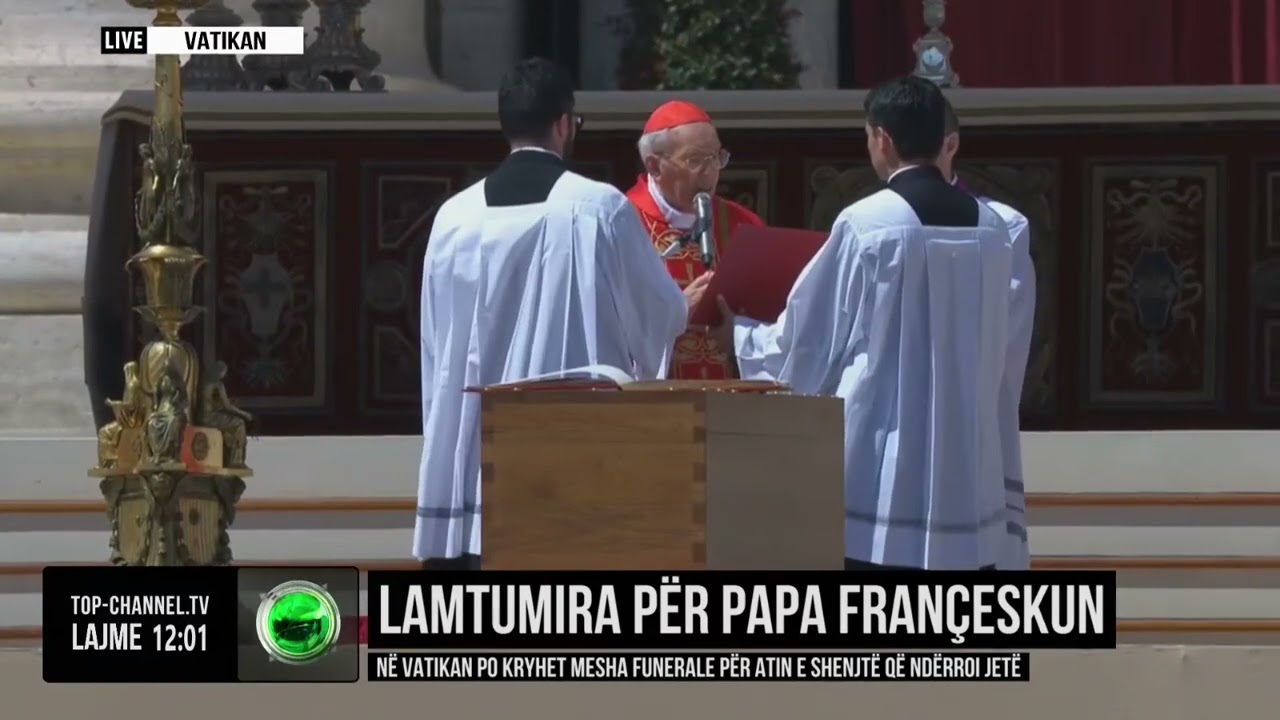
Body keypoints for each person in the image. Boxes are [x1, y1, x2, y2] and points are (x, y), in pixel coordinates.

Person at [413, 58, 708, 570]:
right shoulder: (597, 207)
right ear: (564, 124)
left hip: (472, 454)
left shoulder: (452, 217)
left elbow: (436, 346)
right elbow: (656, 314)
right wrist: (682, 305)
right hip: (566, 451)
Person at [714, 76, 1017, 571]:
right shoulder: (993, 227)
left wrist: (742, 336)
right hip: (966, 460)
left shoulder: (868, 223)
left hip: (883, 459)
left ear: (883, 138)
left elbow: (810, 339)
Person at [938, 99, 1036, 570]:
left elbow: (1004, 338)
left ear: (951, 144)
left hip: (969, 420)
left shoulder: (1001, 226)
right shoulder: (867, 222)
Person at [626, 101, 764, 380]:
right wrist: (676, 313)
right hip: (653, 400)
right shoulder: (622, 223)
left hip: (731, 399)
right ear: (654, 166)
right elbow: (607, 328)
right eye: (694, 160)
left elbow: (770, 317)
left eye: (715, 157)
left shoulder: (744, 226)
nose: (710, 171)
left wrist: (740, 334)